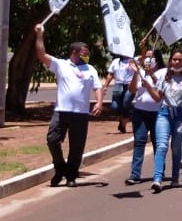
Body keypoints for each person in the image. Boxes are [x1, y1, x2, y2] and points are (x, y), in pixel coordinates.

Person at [34, 24, 103, 187]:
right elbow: (41, 54)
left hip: (81, 114)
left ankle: (71, 176)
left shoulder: (90, 69)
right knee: (52, 140)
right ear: (74, 53)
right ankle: (60, 168)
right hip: (61, 112)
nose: (87, 56)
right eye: (84, 54)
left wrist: (99, 102)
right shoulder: (61, 65)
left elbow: (98, 87)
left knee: (77, 146)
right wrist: (39, 35)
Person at [140, 49, 182, 193]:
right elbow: (158, 97)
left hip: (180, 116)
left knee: (176, 148)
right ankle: (157, 179)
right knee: (162, 145)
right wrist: (149, 86)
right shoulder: (165, 77)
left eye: (179, 60)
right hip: (164, 113)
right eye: (174, 59)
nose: (176, 62)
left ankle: (175, 177)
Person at [124, 51, 163, 185]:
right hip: (140, 112)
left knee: (157, 143)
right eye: (146, 56)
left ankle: (159, 173)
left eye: (151, 57)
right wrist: (136, 72)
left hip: (158, 113)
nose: (148, 59)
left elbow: (161, 90)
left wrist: (151, 76)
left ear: (157, 60)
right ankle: (135, 175)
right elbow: (132, 89)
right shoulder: (140, 72)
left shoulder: (163, 73)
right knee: (139, 142)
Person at [102, 56, 135, 133]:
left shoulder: (134, 60)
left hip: (130, 85)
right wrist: (106, 85)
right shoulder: (116, 61)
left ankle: (123, 125)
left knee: (126, 104)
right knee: (114, 106)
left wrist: (143, 47)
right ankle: (122, 119)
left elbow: (142, 57)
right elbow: (110, 74)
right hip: (118, 85)